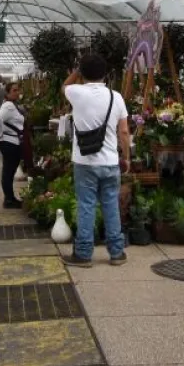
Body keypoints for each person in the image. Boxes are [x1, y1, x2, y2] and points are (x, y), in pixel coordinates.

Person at [60, 54, 130, 268]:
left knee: (86, 206)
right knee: (111, 205)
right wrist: (125, 157)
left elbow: (64, 85)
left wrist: (77, 72)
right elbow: (124, 131)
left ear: (83, 73)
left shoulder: (76, 92)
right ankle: (117, 253)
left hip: (85, 162)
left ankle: (83, 254)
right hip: (109, 161)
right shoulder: (116, 97)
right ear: (106, 74)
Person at [0, 82, 26, 209]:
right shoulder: (8, 106)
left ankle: (10, 198)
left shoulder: (12, 105)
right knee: (8, 172)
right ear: (7, 93)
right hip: (9, 143)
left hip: (12, 142)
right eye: (14, 90)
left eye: (18, 90)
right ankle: (9, 200)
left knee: (9, 171)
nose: (17, 92)